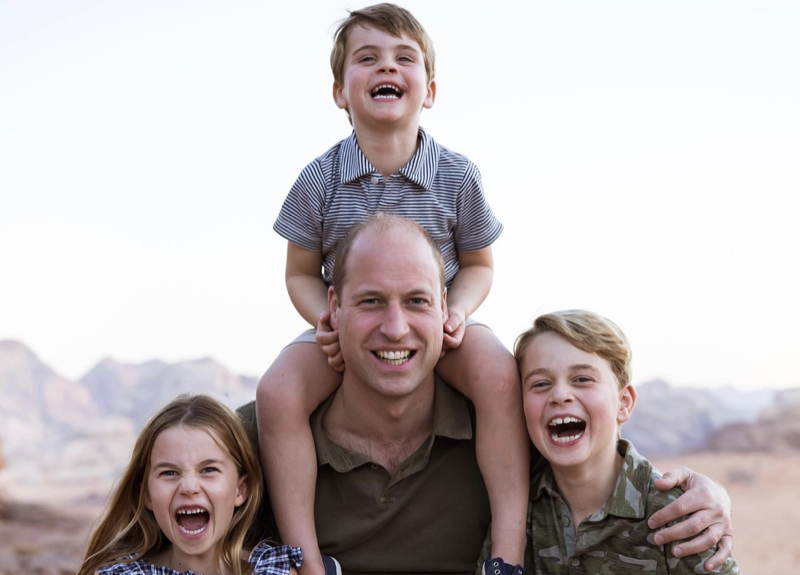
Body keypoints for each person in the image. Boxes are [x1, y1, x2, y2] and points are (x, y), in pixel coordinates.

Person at [241, 214, 734, 575]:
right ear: (334, 307)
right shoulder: (258, 445)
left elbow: (595, 473)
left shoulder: (503, 438)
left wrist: (708, 496)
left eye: (416, 302)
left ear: (446, 310)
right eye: (371, 301)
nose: (395, 328)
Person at [257, 4, 528, 574]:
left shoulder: (456, 174)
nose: (388, 66)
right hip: (348, 331)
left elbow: (480, 263)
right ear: (339, 91)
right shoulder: (320, 178)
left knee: (501, 374)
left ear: (429, 90)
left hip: (439, 329)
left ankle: (506, 554)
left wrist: (460, 310)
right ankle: (304, 559)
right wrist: (323, 323)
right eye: (368, 58)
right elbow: (300, 273)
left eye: (404, 58)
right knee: (279, 391)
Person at [514, 310, 739, 574]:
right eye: (540, 383)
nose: (560, 394)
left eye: (582, 379)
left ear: (624, 403)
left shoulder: (674, 513)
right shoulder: (513, 505)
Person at [78, 394, 302, 575]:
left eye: (208, 470)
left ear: (240, 490)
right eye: (169, 472)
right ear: (146, 495)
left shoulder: (273, 570)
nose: (188, 487)